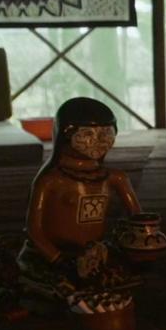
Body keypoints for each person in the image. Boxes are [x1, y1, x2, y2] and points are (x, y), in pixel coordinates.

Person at [12, 97, 143, 303]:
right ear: (66, 134)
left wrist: (141, 242)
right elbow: (33, 230)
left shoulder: (115, 178)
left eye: (106, 134)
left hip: (93, 254)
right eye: (88, 134)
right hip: (53, 255)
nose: (98, 141)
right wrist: (59, 259)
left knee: (119, 278)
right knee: (67, 289)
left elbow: (139, 219)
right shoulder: (50, 181)